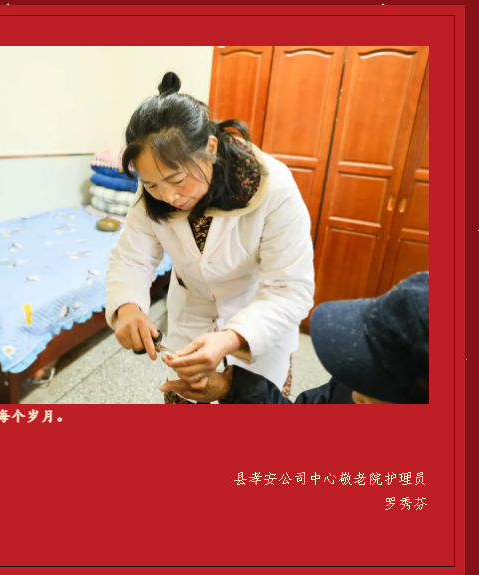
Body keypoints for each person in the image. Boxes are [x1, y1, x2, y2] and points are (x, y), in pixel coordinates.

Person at [105, 72, 315, 403]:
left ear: (210, 148)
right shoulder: (152, 195)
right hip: (193, 314)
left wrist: (232, 337)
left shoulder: (274, 187)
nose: (168, 196)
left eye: (177, 180)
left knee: (254, 406)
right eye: (152, 184)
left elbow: (290, 288)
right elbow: (132, 257)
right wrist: (128, 307)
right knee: (186, 400)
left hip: (259, 317)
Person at [160, 272, 430, 405]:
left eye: (383, 386)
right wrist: (229, 388)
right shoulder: (350, 386)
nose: (357, 395)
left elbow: (289, 290)